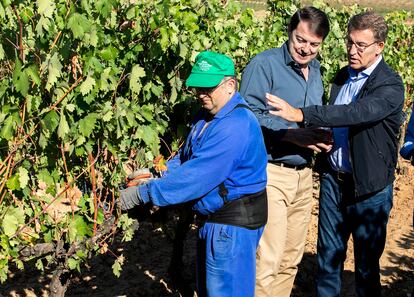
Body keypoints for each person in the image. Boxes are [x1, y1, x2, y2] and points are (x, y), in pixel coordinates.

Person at [267, 11, 405, 297]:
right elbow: (335, 118)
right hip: (333, 182)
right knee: (328, 261)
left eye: (360, 46)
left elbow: (356, 113)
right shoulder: (342, 76)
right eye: (349, 43)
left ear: (380, 46)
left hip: (369, 189)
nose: (352, 51)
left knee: (366, 268)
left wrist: (301, 114)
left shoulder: (390, 85)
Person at [119, 51, 268, 297]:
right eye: (197, 87)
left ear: (230, 85)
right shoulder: (207, 116)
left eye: (208, 87)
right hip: (216, 222)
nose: (200, 93)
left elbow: (196, 176)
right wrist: (158, 172)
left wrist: (143, 193)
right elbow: (188, 158)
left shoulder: (235, 125)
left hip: (232, 227)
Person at [239, 6, 331, 297]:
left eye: (314, 44)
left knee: (291, 261)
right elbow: (248, 116)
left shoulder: (316, 71)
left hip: (304, 177)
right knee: (268, 260)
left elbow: (314, 115)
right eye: (300, 40)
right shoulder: (264, 65)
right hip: (271, 173)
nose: (306, 49)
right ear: (290, 33)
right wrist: (293, 135)